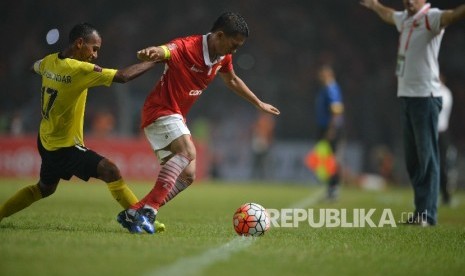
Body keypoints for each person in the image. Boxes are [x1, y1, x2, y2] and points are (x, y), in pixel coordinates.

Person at [116, 12, 280, 234]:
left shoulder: (223, 56)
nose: (234, 51)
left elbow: (231, 79)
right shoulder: (186, 46)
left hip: (176, 116)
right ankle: (149, 213)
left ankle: (134, 212)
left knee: (188, 175)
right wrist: (154, 51)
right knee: (188, 151)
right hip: (160, 110)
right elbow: (165, 50)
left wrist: (258, 103)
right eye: (233, 45)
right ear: (219, 35)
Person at [0, 23, 163, 233]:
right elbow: (123, 76)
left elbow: (34, 66)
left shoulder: (49, 62)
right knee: (110, 170)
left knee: (44, 189)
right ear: (79, 43)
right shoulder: (79, 69)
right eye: (94, 48)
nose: (95, 55)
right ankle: (139, 218)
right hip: (65, 146)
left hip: (46, 141)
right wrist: (155, 60)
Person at [360, 0, 465, 226]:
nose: (407, 1)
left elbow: (452, 16)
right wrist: (375, 5)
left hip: (425, 97)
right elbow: (390, 15)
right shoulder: (406, 19)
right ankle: (421, 210)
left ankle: (428, 214)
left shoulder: (432, 17)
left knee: (427, 157)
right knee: (413, 159)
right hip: (407, 97)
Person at [314, 65, 344, 200]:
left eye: (322, 74)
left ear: (328, 74)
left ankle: (334, 188)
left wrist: (331, 129)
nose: (319, 77)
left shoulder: (331, 88)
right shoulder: (325, 89)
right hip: (325, 127)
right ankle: (330, 188)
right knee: (324, 159)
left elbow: (336, 110)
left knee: (331, 159)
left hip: (330, 128)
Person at [437, 75, 453, 205]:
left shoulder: (445, 93)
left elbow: (438, 109)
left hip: (441, 133)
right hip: (432, 132)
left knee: (442, 165)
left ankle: (446, 195)